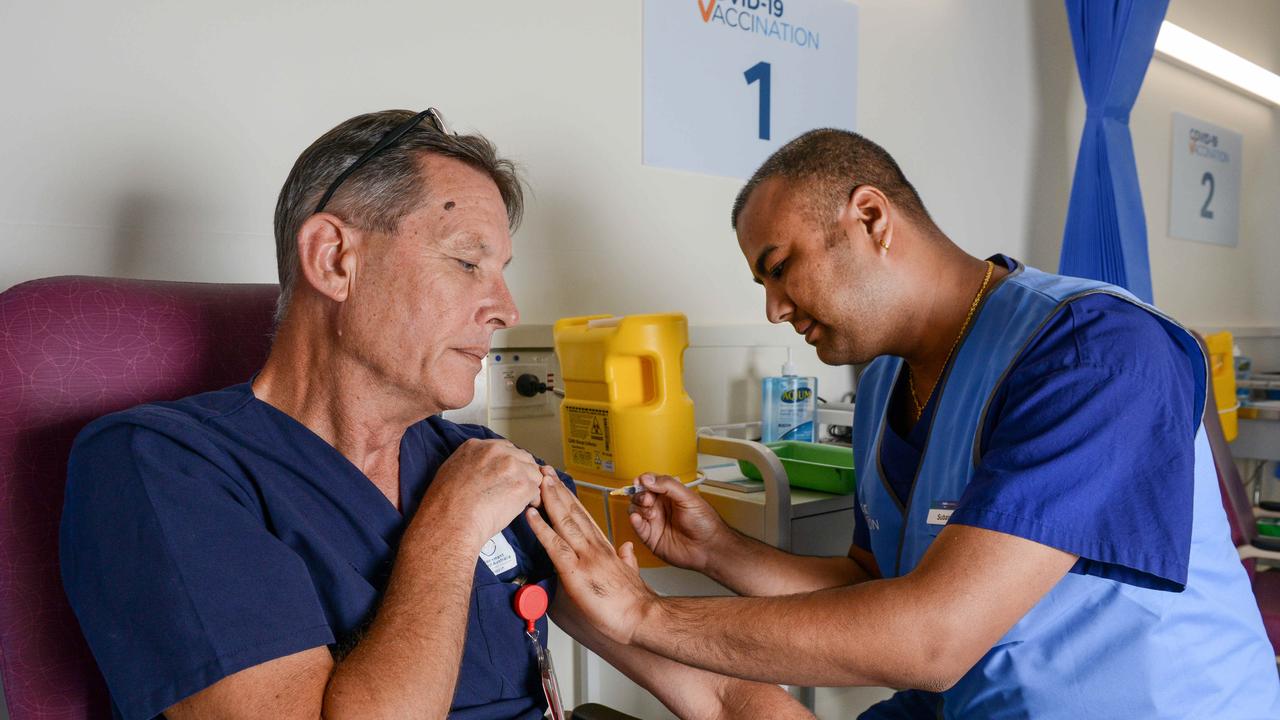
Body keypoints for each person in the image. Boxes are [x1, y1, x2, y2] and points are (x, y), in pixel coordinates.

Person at [59, 108, 810, 720]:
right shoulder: (162, 467)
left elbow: (716, 690)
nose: (505, 309)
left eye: (502, 273)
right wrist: (447, 533)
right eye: (465, 262)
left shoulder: (485, 465)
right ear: (334, 260)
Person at [526, 129, 1280, 718]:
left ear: (871, 219)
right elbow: (869, 583)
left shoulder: (1096, 354)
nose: (774, 309)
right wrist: (719, 551)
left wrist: (644, 617)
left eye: (779, 266)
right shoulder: (886, 380)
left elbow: (932, 635)